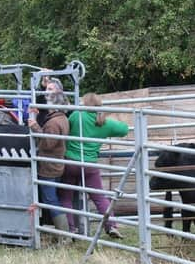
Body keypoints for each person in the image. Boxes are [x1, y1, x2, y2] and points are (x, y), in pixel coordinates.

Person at [58, 93, 129, 239]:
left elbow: (66, 127)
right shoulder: (105, 123)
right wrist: (116, 117)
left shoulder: (77, 115)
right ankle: (111, 226)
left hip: (71, 161)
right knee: (99, 197)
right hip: (90, 164)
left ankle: (70, 229)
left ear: (84, 103)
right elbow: (124, 130)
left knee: (66, 197)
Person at [27, 91, 71, 239]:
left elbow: (47, 144)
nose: (45, 103)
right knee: (51, 198)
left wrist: (35, 127)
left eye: (47, 100)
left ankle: (63, 235)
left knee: (51, 200)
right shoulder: (62, 118)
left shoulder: (53, 123)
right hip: (56, 163)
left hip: (49, 166)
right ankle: (60, 233)